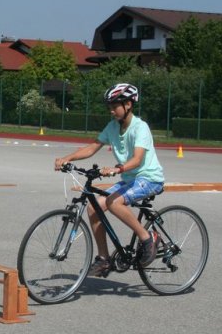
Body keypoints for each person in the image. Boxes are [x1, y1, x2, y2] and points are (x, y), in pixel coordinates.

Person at [53, 83, 164, 277]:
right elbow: (92, 147)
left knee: (113, 202)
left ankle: (148, 238)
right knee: (93, 206)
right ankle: (104, 259)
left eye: (115, 106)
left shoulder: (140, 127)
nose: (111, 111)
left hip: (149, 178)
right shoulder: (112, 127)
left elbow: (137, 159)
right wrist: (67, 158)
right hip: (130, 180)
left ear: (128, 104)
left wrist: (116, 169)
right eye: (109, 107)